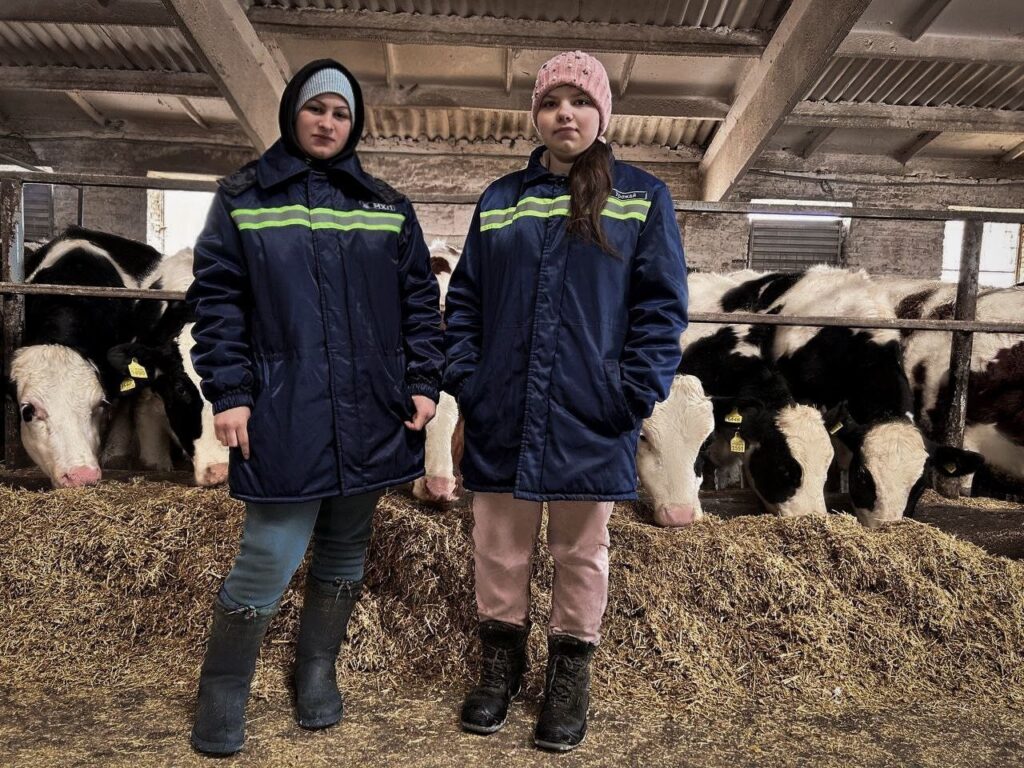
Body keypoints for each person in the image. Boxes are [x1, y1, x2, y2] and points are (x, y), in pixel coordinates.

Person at [186, 59, 444, 756]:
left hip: (371, 405)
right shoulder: (242, 197)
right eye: (315, 109)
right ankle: (224, 688)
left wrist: (424, 382)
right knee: (269, 550)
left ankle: (316, 668)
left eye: (340, 113)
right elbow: (218, 303)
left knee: (345, 545)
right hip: (283, 403)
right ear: (291, 113)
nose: (327, 123)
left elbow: (420, 302)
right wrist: (231, 392)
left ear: (353, 125)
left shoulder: (387, 206)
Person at [443, 50, 688, 752]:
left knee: (581, 550)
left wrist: (632, 393)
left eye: (580, 101)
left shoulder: (641, 196)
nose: (564, 114)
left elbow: (661, 308)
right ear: (536, 116)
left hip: (593, 408)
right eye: (551, 102)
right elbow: (466, 299)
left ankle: (569, 676)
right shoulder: (500, 200)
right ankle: (500, 668)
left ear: (601, 114)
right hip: (504, 405)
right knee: (498, 546)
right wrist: (469, 377)